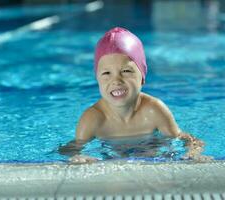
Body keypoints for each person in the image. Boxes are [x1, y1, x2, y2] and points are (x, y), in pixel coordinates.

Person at [59, 27, 211, 163]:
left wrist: (193, 152)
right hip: (112, 157)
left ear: (142, 76)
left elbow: (185, 138)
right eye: (106, 73)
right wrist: (76, 157)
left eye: (126, 71)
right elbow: (70, 149)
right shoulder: (93, 118)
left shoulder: (154, 110)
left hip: (150, 153)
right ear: (97, 79)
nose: (116, 81)